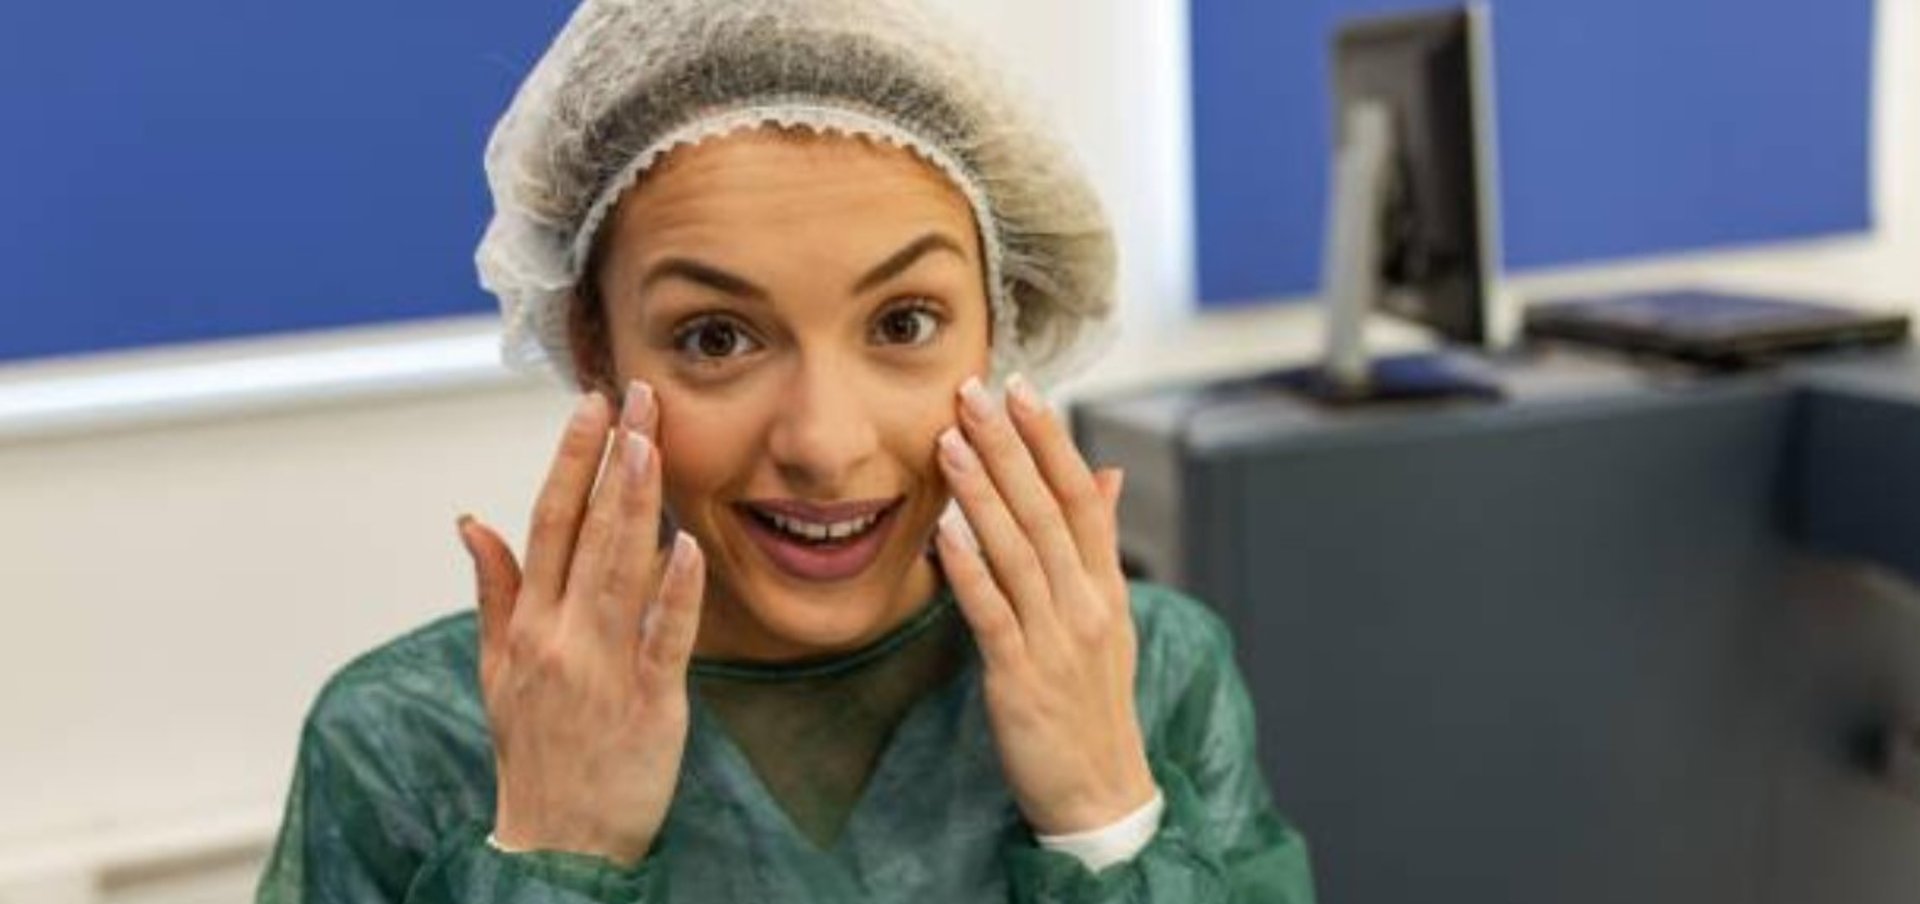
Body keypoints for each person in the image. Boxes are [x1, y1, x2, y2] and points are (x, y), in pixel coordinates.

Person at [255, 0, 1315, 900]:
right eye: (716, 338)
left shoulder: (1153, 672)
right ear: (592, 345)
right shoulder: (407, 743)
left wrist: (1105, 825)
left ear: (1000, 322)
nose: (823, 442)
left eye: (903, 323)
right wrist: (555, 857)